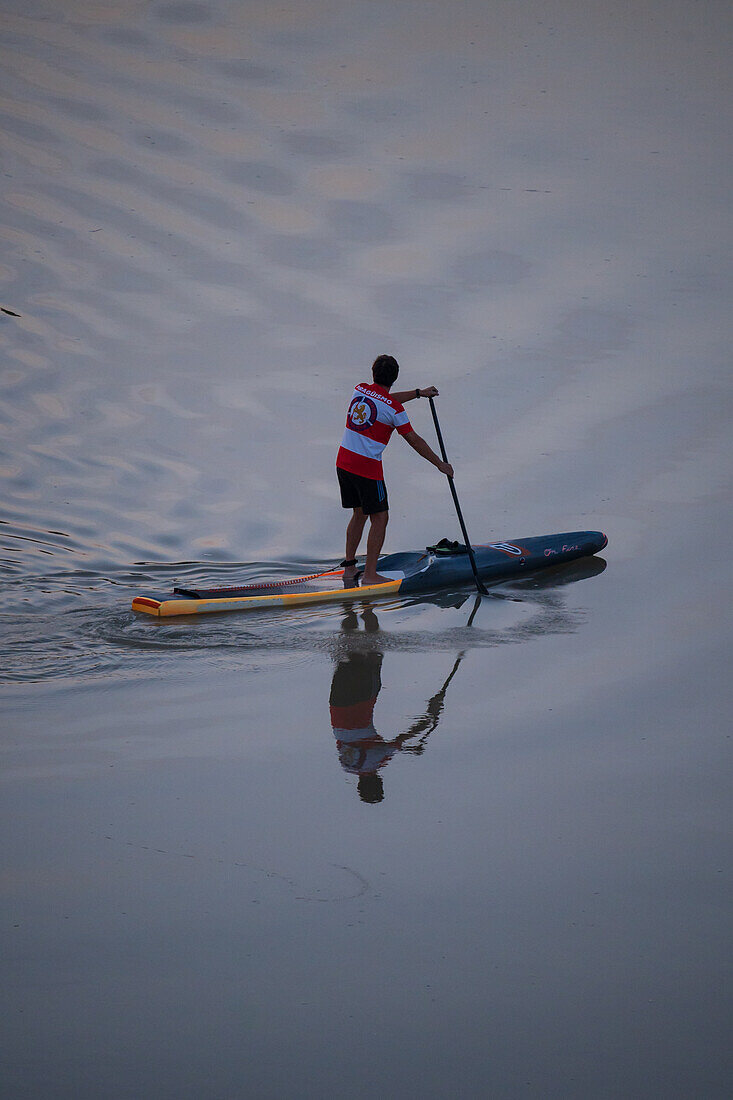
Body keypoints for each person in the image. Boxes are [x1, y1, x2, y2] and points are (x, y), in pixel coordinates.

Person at [336, 354, 454, 585]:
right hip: (367, 469)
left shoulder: (359, 389)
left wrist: (418, 393)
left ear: (373, 373)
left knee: (359, 514)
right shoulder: (395, 410)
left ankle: (349, 569)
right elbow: (415, 440)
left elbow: (386, 399)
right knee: (380, 517)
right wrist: (440, 464)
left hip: (343, 462)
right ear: (395, 377)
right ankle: (370, 575)